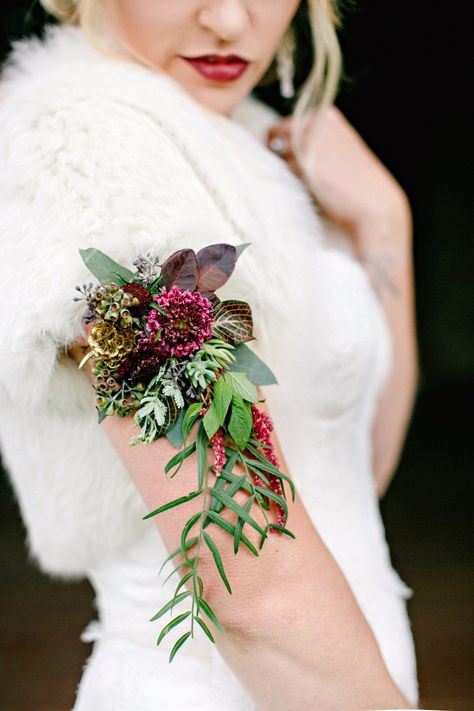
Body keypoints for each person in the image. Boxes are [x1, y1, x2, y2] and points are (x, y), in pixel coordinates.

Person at [0, 0, 423, 709]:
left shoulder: (248, 143)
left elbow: (350, 473)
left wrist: (385, 222)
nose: (230, 20)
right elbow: (248, 577)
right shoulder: (88, 161)